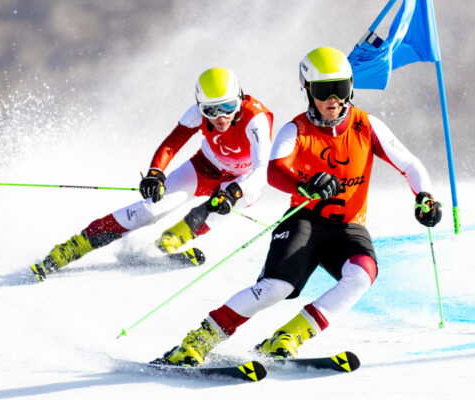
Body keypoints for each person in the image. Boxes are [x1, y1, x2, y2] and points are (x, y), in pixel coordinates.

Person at [155, 47, 442, 366]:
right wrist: (305, 184)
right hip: (303, 222)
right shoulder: (296, 129)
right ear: (307, 90)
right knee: (277, 288)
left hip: (348, 227)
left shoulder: (366, 125)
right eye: (323, 90)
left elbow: (410, 164)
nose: (333, 99)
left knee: (363, 273)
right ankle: (197, 341)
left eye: (341, 88)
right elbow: (274, 170)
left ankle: (288, 337)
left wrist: (424, 197)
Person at [30, 67, 274, 281]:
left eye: (229, 106)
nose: (220, 117)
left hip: (243, 180)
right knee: (152, 209)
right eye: (211, 110)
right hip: (205, 168)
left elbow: (263, 169)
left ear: (240, 98)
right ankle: (73, 247)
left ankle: (173, 239)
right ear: (201, 106)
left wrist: (236, 190)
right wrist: (155, 173)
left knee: (224, 204)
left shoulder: (256, 119)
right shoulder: (196, 113)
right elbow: (172, 143)